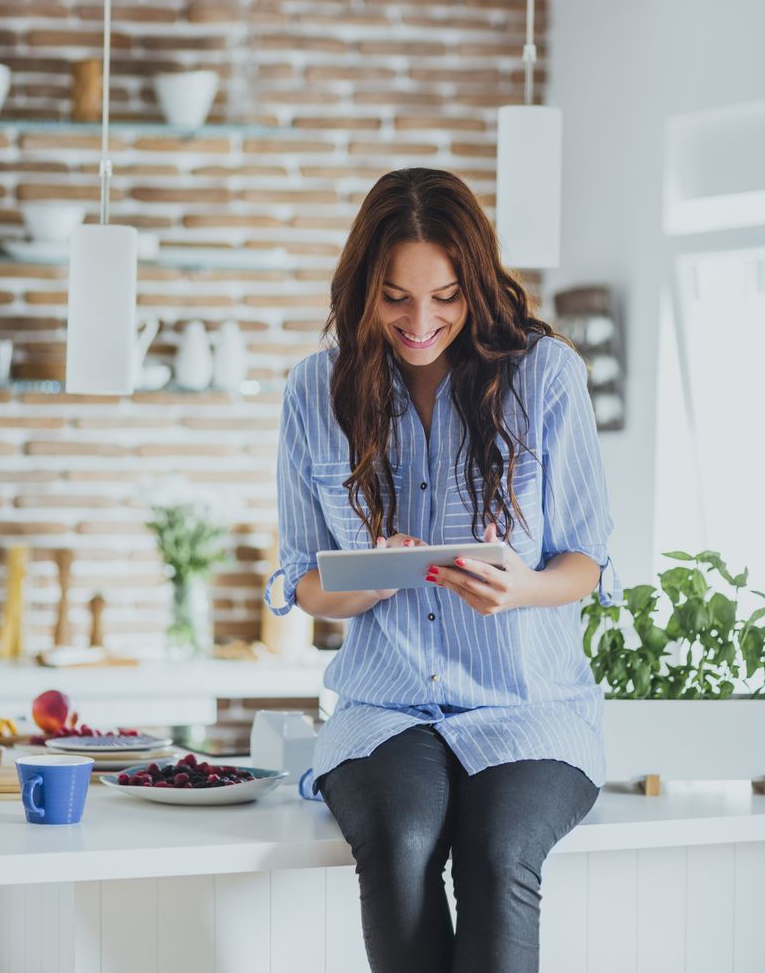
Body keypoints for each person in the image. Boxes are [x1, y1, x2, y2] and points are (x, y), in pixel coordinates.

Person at [264, 167, 622, 973]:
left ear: (481, 284)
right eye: (395, 297)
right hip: (385, 707)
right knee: (399, 844)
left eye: (447, 295)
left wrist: (521, 587)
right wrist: (371, 580)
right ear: (363, 289)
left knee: (498, 857)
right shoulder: (312, 393)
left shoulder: (545, 376)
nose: (421, 321)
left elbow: (586, 563)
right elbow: (305, 581)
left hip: (528, 704)